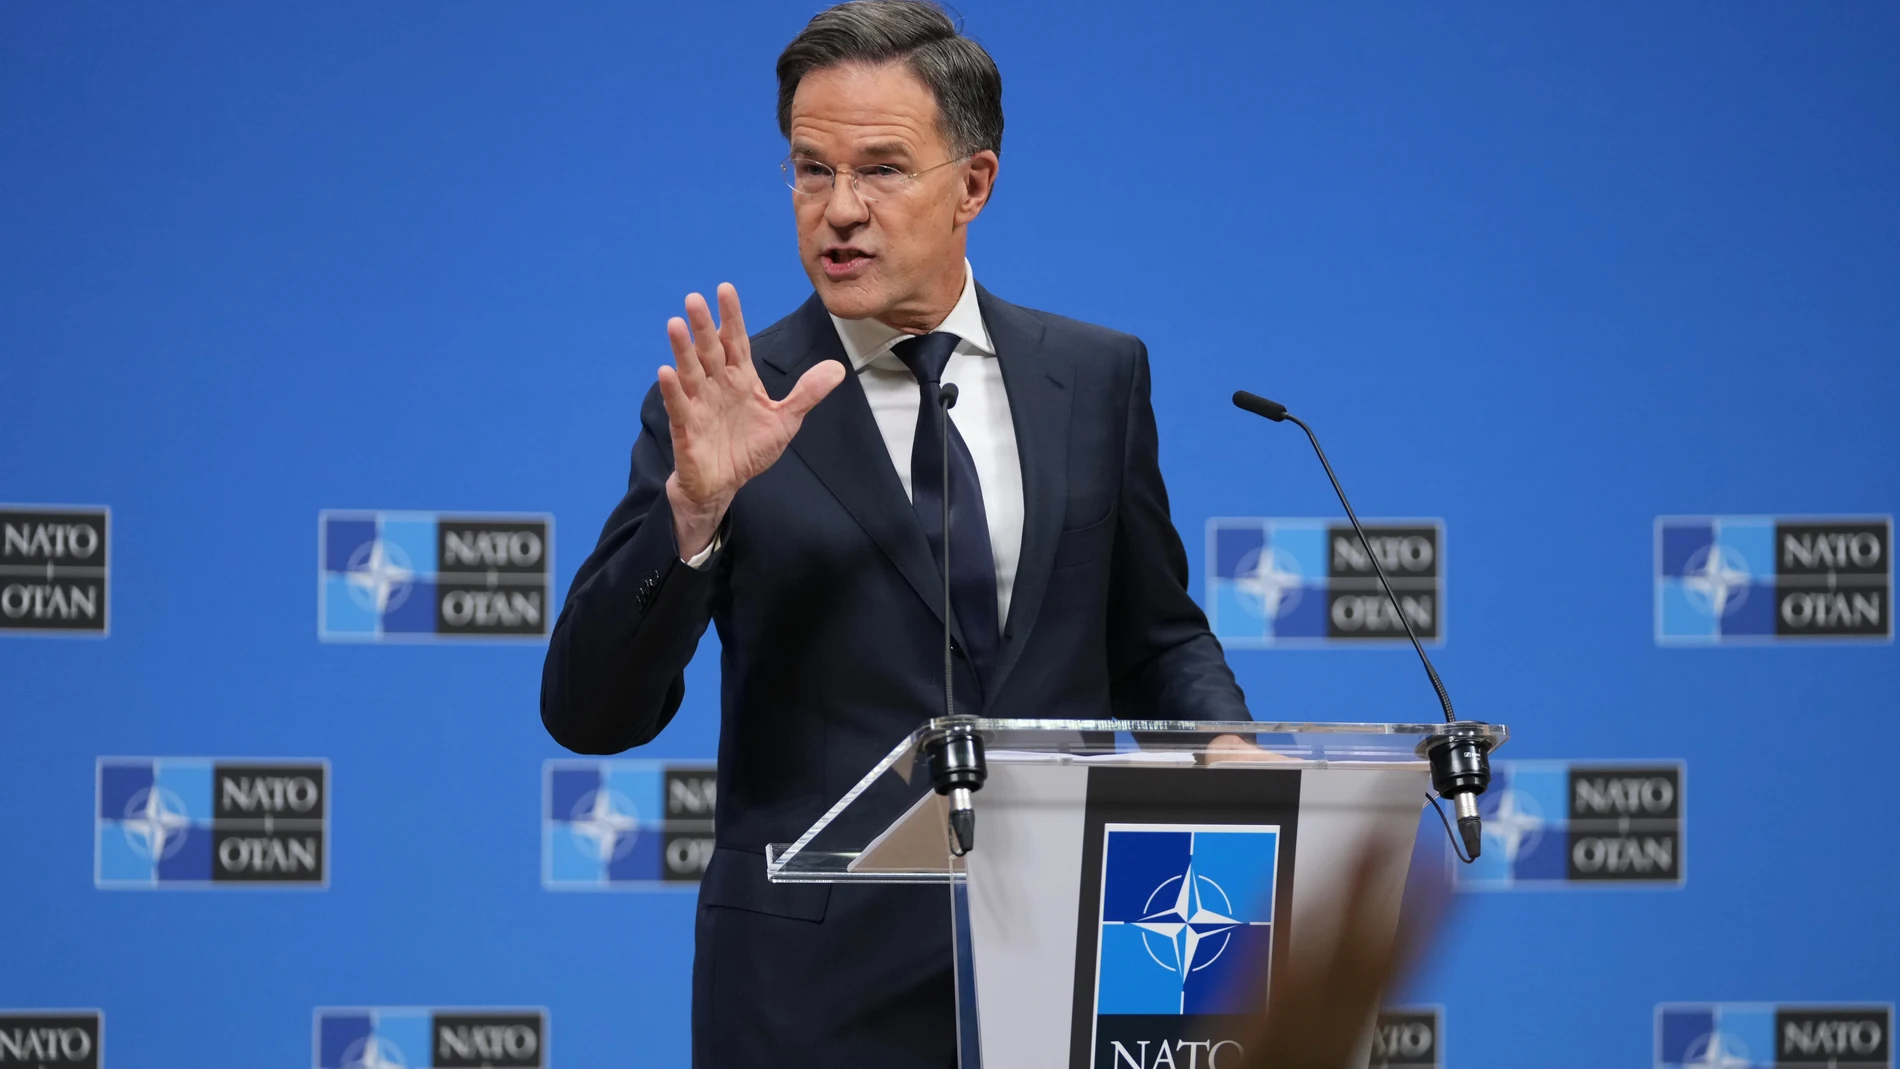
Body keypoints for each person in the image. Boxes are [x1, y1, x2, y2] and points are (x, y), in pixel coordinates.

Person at [540, 2, 1251, 1064]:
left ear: (973, 183)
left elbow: (1151, 635)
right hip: (810, 989)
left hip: (1071, 959)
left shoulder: (1094, 376)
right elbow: (590, 713)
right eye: (809, 170)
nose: (838, 211)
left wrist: (1229, 749)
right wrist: (695, 508)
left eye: (880, 170)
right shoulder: (726, 407)